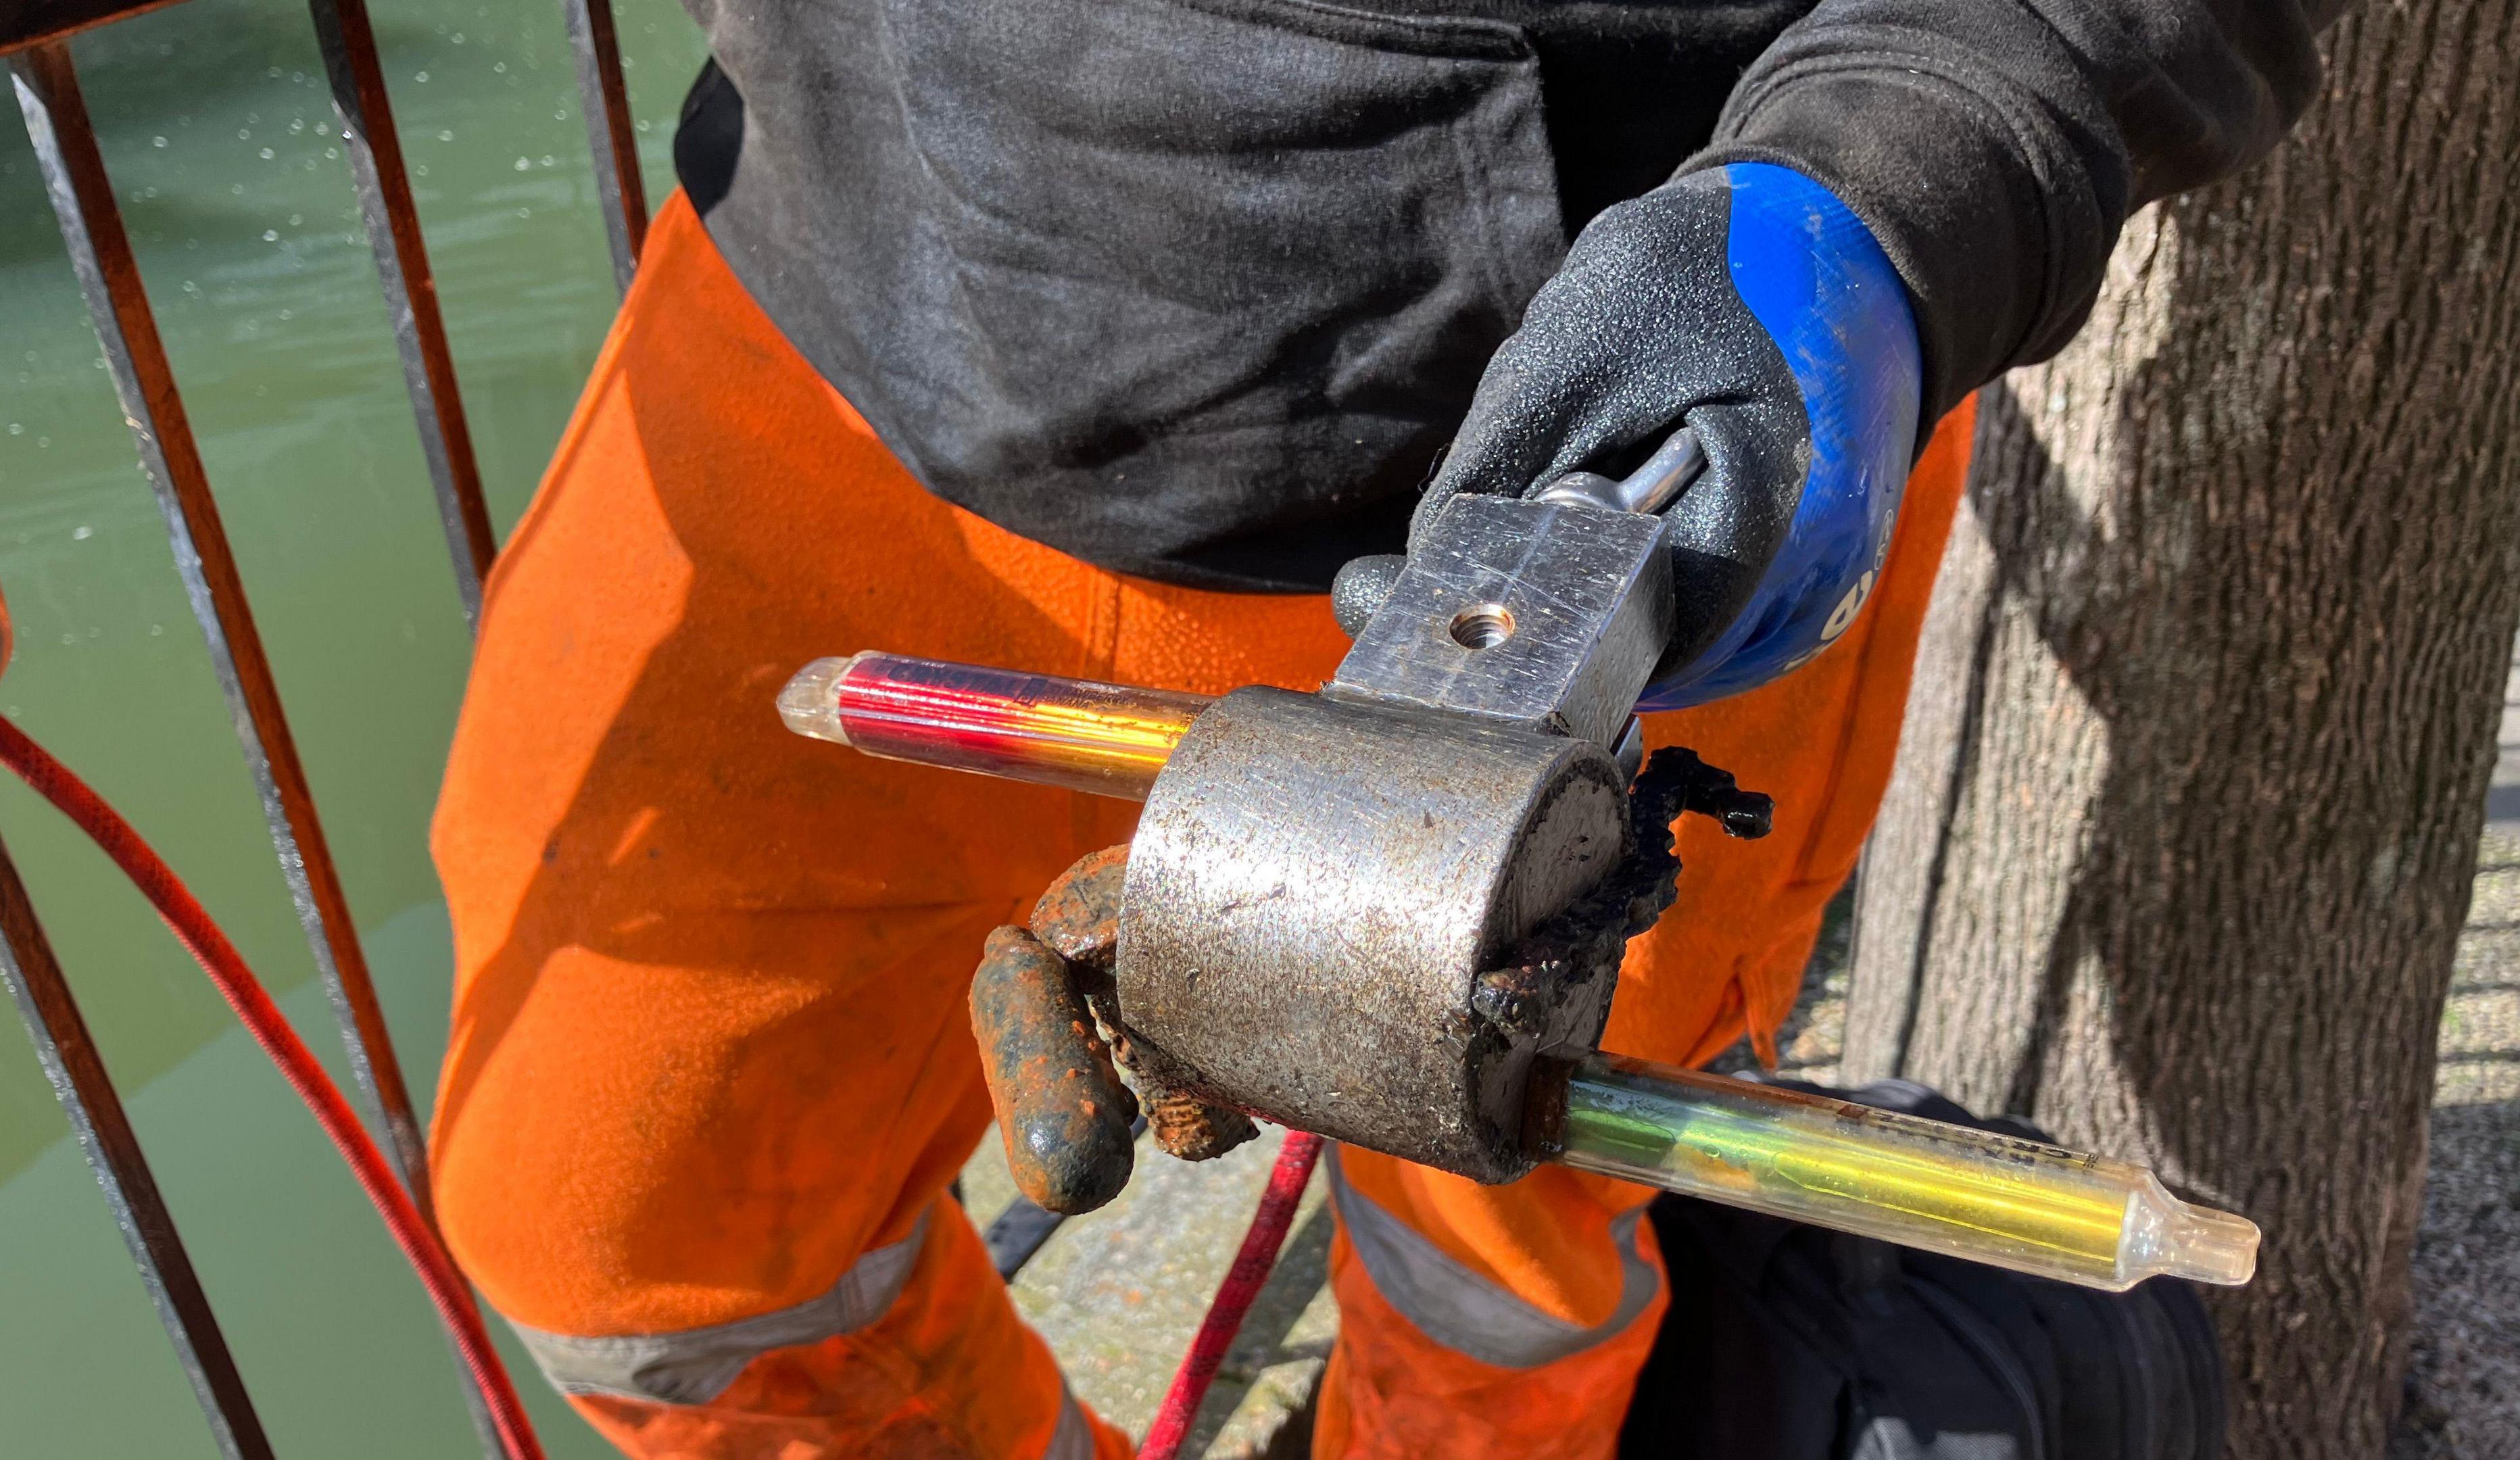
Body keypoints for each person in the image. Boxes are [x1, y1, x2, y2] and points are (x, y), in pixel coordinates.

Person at [427, 3, 2342, 1456]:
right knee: (610, 1231)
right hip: (824, 310)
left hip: (1646, 421)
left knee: (1508, 1268)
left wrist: (1914, 169)